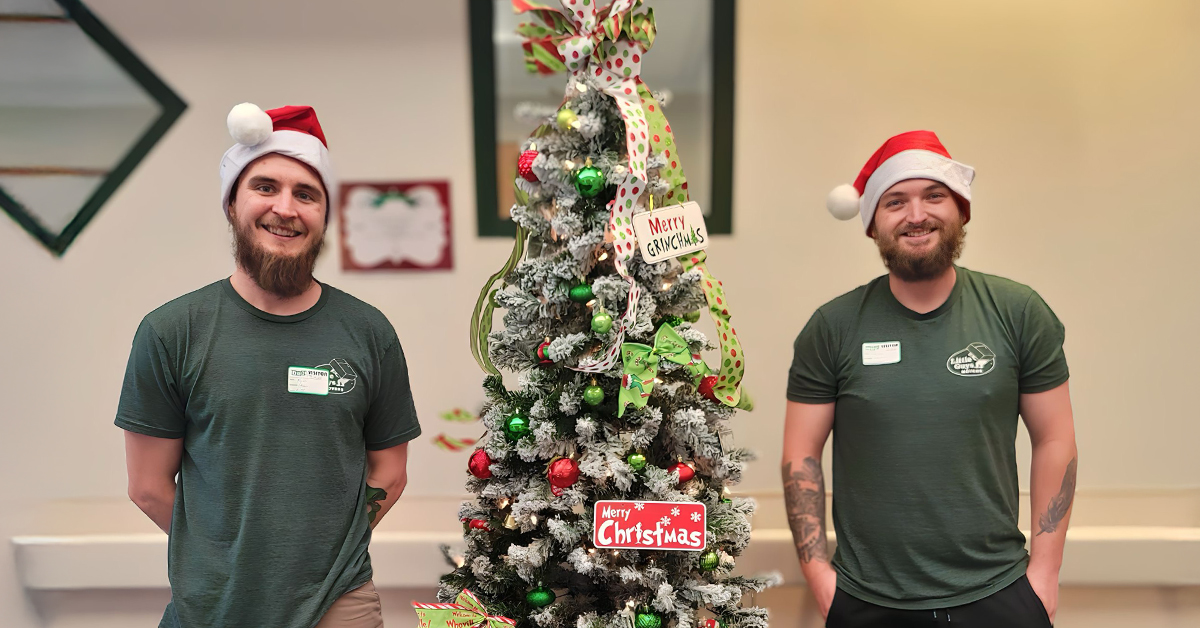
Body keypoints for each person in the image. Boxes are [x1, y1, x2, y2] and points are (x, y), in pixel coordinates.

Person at [115, 103, 420, 628]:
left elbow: (389, 472)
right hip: (215, 605)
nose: (286, 207)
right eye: (265, 187)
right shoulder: (171, 332)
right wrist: (229, 556)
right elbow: (147, 485)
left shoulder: (369, 332)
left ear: (324, 216)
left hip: (338, 602)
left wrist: (327, 551)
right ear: (232, 204)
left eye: (307, 194)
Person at [782, 131, 1077, 627]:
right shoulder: (832, 327)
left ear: (961, 211)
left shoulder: (1019, 312)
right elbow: (801, 456)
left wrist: (1044, 574)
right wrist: (821, 581)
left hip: (1001, 592)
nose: (916, 215)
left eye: (933, 196)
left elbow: (1055, 439)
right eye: (895, 201)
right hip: (867, 600)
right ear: (873, 224)